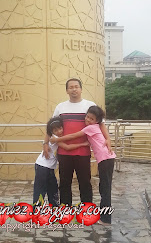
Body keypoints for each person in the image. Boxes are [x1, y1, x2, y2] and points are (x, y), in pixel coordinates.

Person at [43, 78, 112, 206]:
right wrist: (45, 144)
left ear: (80, 89)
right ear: (67, 90)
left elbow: (101, 123)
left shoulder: (89, 105)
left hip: (83, 152)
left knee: (85, 182)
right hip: (64, 152)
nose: (74, 89)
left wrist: (107, 139)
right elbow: (51, 126)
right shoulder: (61, 107)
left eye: (76, 87)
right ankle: (65, 210)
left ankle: (86, 211)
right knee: (64, 183)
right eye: (71, 87)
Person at [50, 105, 116, 225]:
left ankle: (106, 219)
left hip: (106, 159)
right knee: (104, 187)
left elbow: (73, 136)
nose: (88, 120)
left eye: (91, 119)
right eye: (87, 117)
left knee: (105, 188)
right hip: (106, 159)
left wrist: (57, 140)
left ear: (97, 121)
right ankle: (103, 216)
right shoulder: (93, 126)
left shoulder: (91, 128)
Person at [33, 116, 89, 208]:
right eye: (55, 130)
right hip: (42, 167)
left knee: (53, 189)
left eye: (60, 128)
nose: (59, 131)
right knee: (40, 190)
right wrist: (83, 144)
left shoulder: (57, 137)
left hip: (49, 168)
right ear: (52, 132)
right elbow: (67, 147)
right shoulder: (54, 138)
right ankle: (36, 211)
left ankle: (54, 209)